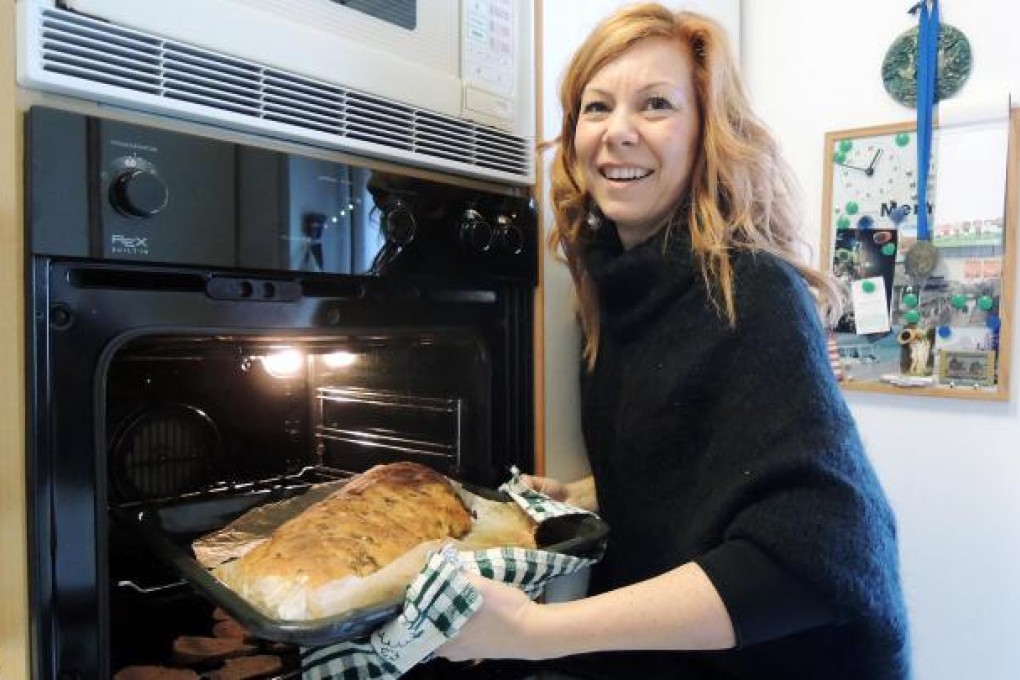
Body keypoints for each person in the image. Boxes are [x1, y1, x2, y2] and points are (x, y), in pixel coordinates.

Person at [437, 3, 910, 679]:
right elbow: (710, 468)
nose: (617, 133)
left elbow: (815, 555)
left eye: (655, 105)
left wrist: (535, 631)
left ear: (705, 132)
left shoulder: (749, 288)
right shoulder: (614, 288)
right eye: (596, 108)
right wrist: (588, 494)